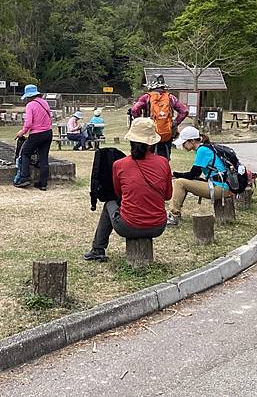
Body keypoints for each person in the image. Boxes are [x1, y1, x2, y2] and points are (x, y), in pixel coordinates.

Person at [84, 117, 173, 261]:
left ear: (131, 140)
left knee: (109, 204)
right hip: (158, 225)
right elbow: (168, 195)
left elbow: (119, 194)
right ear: (152, 143)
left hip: (128, 226)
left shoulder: (119, 165)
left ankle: (98, 249)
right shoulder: (163, 162)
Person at [167, 126, 232, 226]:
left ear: (192, 141)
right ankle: (175, 213)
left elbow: (193, 174)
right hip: (222, 185)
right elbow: (195, 174)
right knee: (181, 181)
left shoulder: (202, 151)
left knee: (180, 182)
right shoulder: (206, 148)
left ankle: (173, 215)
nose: (183, 146)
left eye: (184, 143)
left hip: (220, 188)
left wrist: (174, 174)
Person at [130, 74, 189, 160]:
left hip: (149, 133)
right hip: (166, 134)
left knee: (147, 158)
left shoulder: (146, 97)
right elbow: (184, 111)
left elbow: (134, 109)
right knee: (163, 159)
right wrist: (174, 123)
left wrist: (140, 121)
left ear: (150, 86)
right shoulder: (171, 98)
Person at [14, 84, 53, 190]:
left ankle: (24, 178)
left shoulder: (30, 105)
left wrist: (22, 132)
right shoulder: (45, 103)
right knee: (44, 157)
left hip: (36, 134)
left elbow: (28, 123)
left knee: (25, 153)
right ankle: (43, 184)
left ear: (28, 96)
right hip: (48, 132)